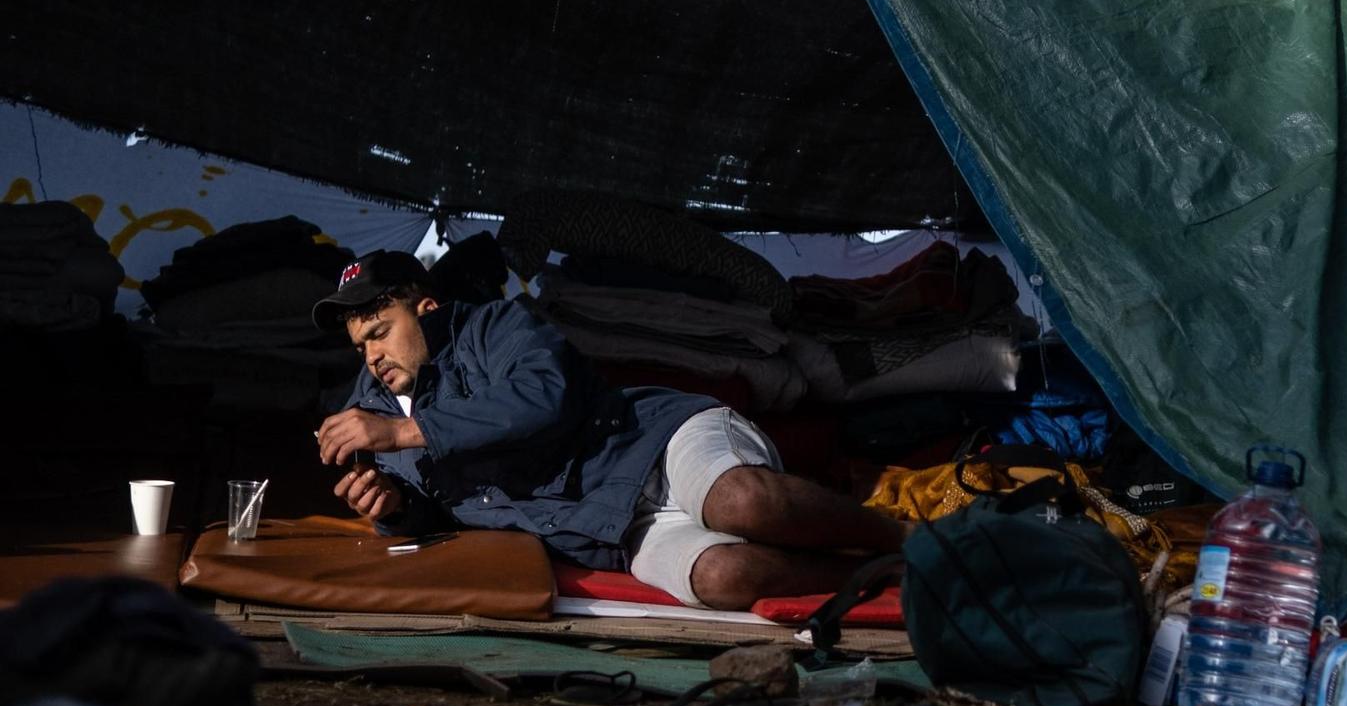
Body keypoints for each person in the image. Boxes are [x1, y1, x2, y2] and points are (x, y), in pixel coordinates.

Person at [310, 250, 904, 609]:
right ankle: (886, 572)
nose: (371, 356)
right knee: (727, 577)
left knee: (742, 502)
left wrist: (408, 435)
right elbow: (437, 516)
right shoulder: (370, 410)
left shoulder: (494, 327)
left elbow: (543, 395)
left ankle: (901, 538)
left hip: (653, 441)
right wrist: (390, 506)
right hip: (600, 527)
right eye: (359, 344)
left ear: (426, 309)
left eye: (380, 330)